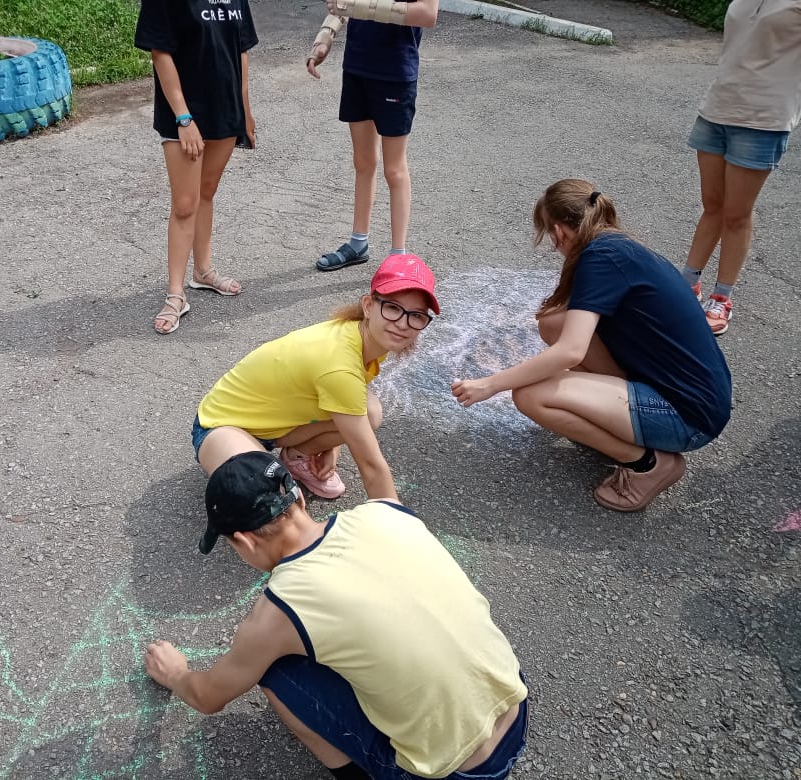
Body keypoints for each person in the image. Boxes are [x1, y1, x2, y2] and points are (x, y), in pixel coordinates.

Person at [145, 451, 529, 780]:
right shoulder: (383, 512)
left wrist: (176, 673)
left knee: (275, 671)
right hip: (514, 707)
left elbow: (209, 697)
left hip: (456, 771)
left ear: (244, 541)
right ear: (298, 499)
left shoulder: (281, 609)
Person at [451, 179, 732, 512]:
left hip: (687, 417)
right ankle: (622, 425)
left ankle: (648, 464)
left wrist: (490, 384)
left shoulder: (598, 259)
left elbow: (571, 351)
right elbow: (562, 327)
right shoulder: (615, 246)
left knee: (530, 395)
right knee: (553, 322)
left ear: (558, 231)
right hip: (693, 395)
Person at [193, 253, 439, 500]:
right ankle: (259, 463)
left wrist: (332, 446)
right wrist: (399, 528)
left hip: (273, 426)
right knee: (273, 503)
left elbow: (339, 401)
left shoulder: (369, 337)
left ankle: (296, 456)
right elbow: (371, 466)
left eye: (416, 315)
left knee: (369, 411)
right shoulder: (339, 363)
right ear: (368, 306)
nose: (403, 323)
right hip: (221, 427)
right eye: (393, 308)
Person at [134, 0, 258, 335]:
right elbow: (160, 53)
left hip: (226, 110)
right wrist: (183, 118)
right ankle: (176, 294)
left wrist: (245, 110)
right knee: (185, 204)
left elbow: (241, 49)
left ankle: (203, 272)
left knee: (206, 192)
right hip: (185, 115)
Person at [680, 0, 801, 335]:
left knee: (736, 213)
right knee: (712, 206)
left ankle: (722, 297)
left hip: (763, 120)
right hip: (716, 109)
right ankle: (688, 284)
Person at [306, 0, 440, 271]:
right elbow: (344, 4)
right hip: (357, 66)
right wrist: (325, 37)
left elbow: (427, 14)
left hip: (395, 72)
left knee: (394, 170)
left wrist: (359, 7)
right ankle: (358, 243)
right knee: (363, 162)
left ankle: (398, 257)